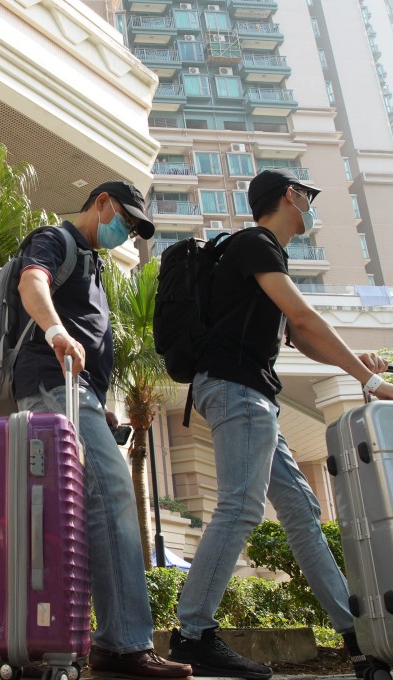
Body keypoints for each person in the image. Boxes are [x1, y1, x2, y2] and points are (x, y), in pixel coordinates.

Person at [166, 168, 393, 679]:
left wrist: (352, 361)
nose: (309, 204)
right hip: (237, 389)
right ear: (290, 195)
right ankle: (194, 633)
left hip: (249, 394)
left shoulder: (260, 251)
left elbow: (301, 336)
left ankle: (357, 637)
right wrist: (369, 382)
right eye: (307, 195)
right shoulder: (255, 244)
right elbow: (306, 317)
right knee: (241, 506)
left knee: (300, 508)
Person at [14, 181, 193, 679]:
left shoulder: (92, 263)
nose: (128, 233)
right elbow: (33, 283)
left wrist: (101, 405)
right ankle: (122, 644)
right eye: (126, 222)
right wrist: (56, 333)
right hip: (55, 382)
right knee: (113, 493)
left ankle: (105, 640)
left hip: (78, 391)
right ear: (102, 204)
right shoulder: (54, 238)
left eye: (135, 229)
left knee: (86, 510)